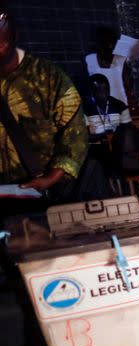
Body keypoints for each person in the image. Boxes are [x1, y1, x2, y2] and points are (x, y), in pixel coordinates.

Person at [0, 10, 88, 220]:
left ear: (14, 35)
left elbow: (74, 134)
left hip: (40, 195)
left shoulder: (47, 78)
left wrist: (51, 178)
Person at [85, 25, 139, 115]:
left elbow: (129, 85)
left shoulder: (120, 59)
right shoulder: (89, 60)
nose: (110, 47)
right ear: (99, 45)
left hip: (122, 107)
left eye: (113, 45)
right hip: (101, 111)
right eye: (106, 44)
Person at [84, 74, 131, 139]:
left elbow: (128, 128)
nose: (103, 93)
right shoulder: (84, 108)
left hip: (119, 143)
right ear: (91, 91)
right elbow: (81, 133)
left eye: (105, 89)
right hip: (96, 143)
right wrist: (88, 130)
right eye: (98, 90)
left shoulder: (120, 106)